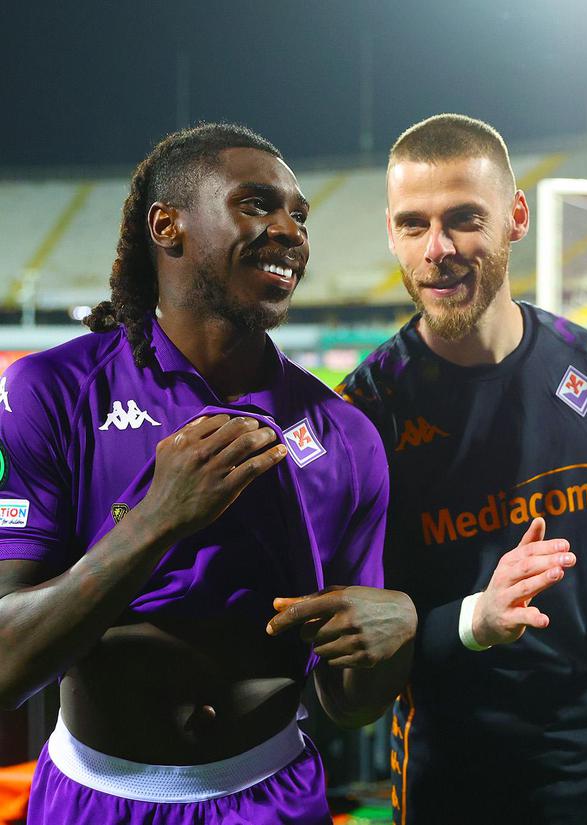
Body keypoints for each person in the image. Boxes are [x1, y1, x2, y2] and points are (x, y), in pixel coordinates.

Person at [0, 123, 417, 824]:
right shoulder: (53, 392)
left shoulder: (347, 439)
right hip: (96, 797)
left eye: (300, 216)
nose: (291, 231)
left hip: (274, 795)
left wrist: (392, 641)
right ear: (167, 226)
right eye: (256, 204)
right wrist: (156, 521)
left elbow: (350, 704)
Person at [339, 114, 587, 824]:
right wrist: (473, 621)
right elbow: (361, 643)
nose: (438, 249)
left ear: (516, 217)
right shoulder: (362, 417)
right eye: (414, 224)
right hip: (456, 784)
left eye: (463, 219)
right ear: (391, 233)